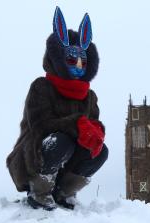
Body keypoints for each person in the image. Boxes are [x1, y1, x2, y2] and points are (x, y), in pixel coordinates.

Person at [6, 6, 107, 210]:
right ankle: (40, 192)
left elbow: (92, 122)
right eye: (72, 60)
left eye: (83, 61)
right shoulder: (41, 87)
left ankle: (64, 193)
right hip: (34, 156)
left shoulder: (89, 96)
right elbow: (40, 125)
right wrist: (77, 125)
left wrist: (95, 132)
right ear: (59, 58)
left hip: (68, 159)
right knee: (61, 141)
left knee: (99, 151)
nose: (78, 66)